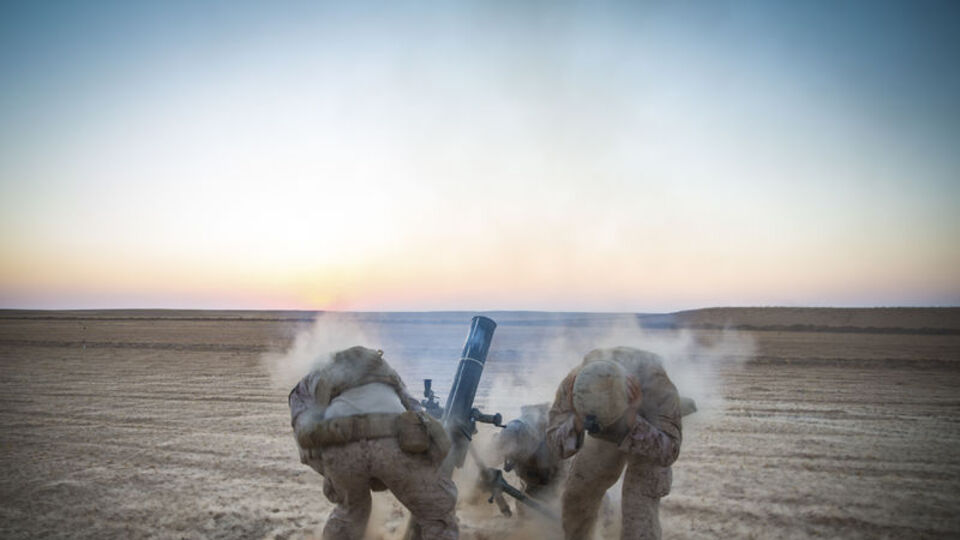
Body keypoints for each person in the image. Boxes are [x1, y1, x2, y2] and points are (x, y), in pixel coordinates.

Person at [288, 346, 458, 540]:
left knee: (350, 513)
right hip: (392, 442)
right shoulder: (383, 370)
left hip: (342, 450)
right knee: (435, 513)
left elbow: (304, 434)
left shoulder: (311, 381)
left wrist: (329, 474)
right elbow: (415, 410)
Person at [546, 347, 683, 540]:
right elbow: (554, 444)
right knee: (576, 499)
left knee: (638, 517)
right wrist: (577, 420)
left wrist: (632, 421)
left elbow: (669, 452)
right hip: (602, 441)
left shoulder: (657, 385)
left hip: (647, 434)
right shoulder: (576, 384)